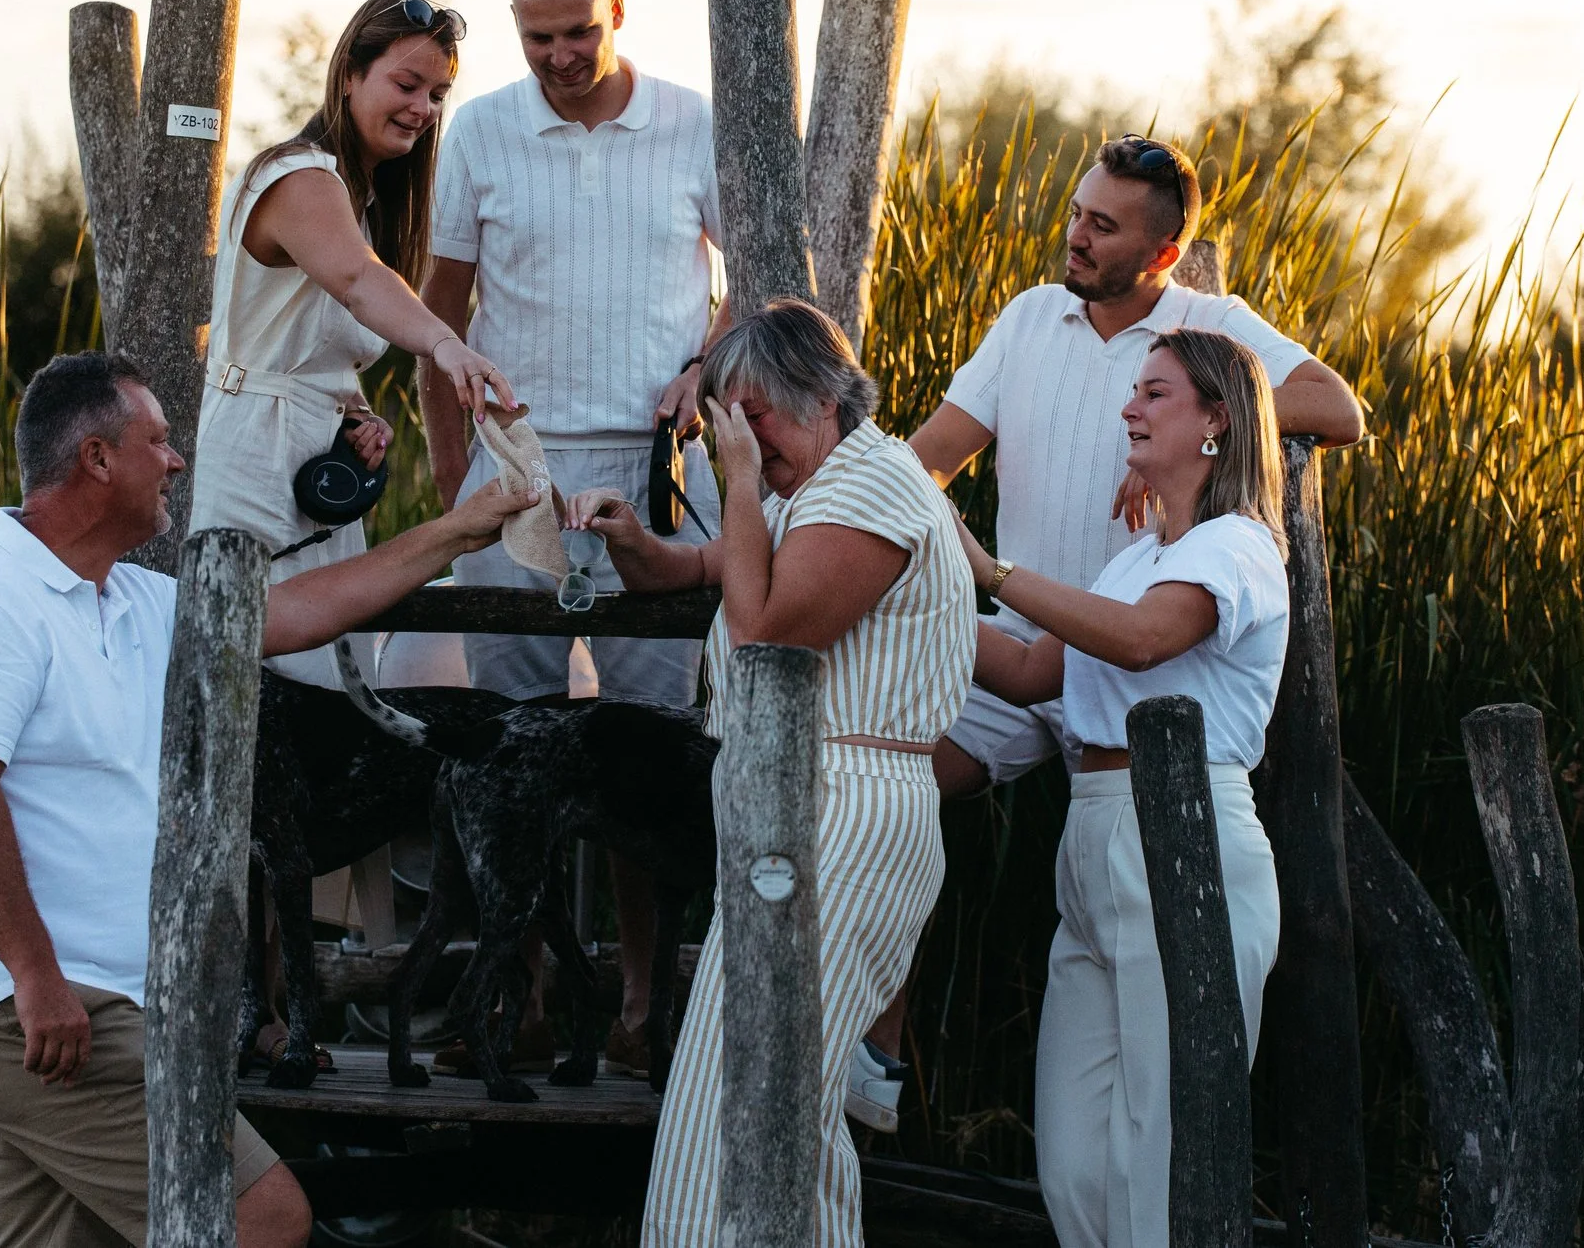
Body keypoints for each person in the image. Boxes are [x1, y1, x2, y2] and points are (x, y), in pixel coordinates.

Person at [0, 352, 538, 1248]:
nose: (176, 460)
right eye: (157, 439)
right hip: (31, 1014)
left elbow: (291, 611)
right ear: (95, 459)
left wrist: (457, 531)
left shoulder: (127, 598)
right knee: (262, 1217)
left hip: (88, 1011)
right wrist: (38, 980)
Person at [846, 135, 1362, 1133]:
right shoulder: (1031, 318)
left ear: (1163, 252)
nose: (1075, 236)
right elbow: (935, 454)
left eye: (1104, 225)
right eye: (1077, 212)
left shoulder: (1207, 327)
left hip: (1142, 669)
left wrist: (1196, 433)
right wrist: (843, 523)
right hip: (1024, 654)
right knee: (883, 779)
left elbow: (1337, 408)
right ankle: (878, 1046)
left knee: (1160, 1056)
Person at [561, 300, 974, 1248]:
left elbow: (762, 638)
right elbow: (711, 568)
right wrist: (635, 543)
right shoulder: (812, 491)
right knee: (792, 1112)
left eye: (754, 417)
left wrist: (738, 478)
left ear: (823, 396)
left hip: (847, 816)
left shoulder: (871, 489)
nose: (741, 439)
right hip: (800, 815)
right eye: (729, 422)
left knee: (742, 1098)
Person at [418, 0, 727, 1073]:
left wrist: (709, 365)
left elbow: (752, 286)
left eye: (578, 31)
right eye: (537, 35)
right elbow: (436, 319)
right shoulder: (484, 131)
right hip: (517, 473)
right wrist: (461, 481)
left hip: (654, 473)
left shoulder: (693, 121)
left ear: (620, 10)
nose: (558, 54)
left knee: (646, 751)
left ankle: (645, 1007)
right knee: (509, 751)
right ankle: (519, 995)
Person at [959, 329, 1290, 1248]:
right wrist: (935, 584)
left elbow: (1144, 640)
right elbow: (1030, 673)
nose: (1129, 408)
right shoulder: (1133, 558)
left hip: (1192, 846)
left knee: (1163, 1158)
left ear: (1216, 420)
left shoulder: (1240, 549)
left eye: (1154, 394)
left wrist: (994, 570)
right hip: (1094, 836)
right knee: (1073, 1165)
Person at [194, 0, 514, 693]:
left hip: (317, 474)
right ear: (348, 75)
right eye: (406, 84)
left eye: (437, 93)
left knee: (333, 677)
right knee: (251, 668)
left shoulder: (365, 203)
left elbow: (316, 341)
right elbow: (358, 281)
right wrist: (445, 345)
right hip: (253, 463)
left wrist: (353, 416)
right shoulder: (298, 177)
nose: (424, 109)